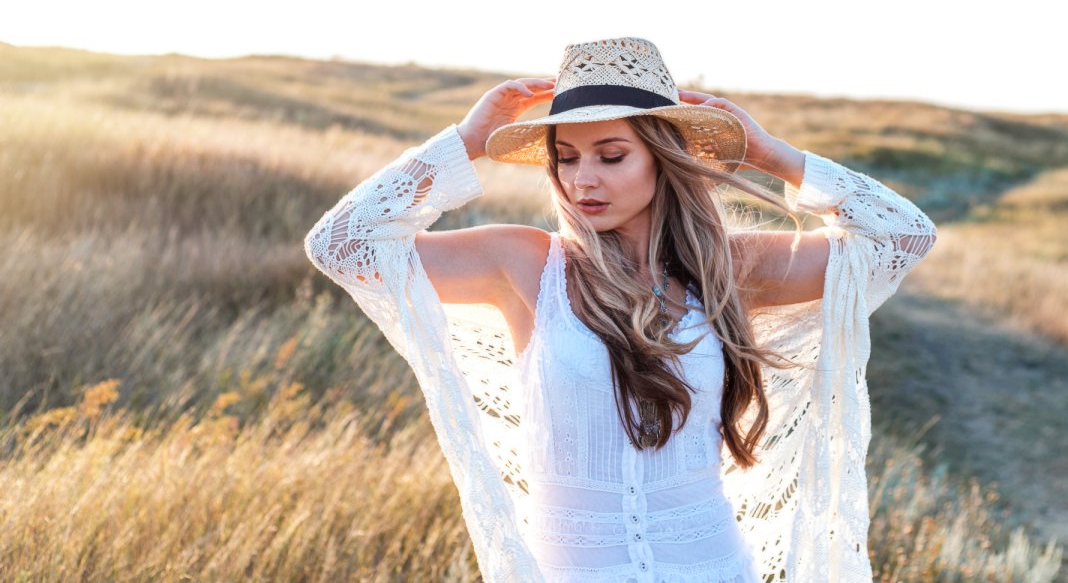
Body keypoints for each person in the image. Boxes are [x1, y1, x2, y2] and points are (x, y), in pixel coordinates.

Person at [304, 36, 938, 582]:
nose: (583, 182)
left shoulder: (731, 270)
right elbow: (341, 246)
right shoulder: (526, 266)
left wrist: (771, 155)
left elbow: (903, 239)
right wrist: (465, 141)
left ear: (664, 161)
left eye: (611, 156)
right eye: (566, 159)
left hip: (711, 567)